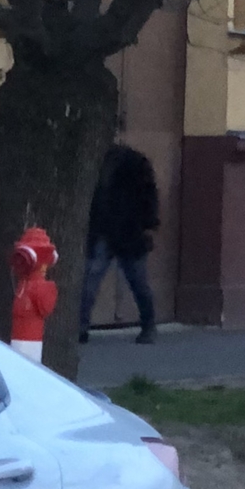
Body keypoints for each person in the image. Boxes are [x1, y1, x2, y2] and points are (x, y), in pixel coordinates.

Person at [80, 142, 160, 344]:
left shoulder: (126, 162)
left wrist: (147, 223)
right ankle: (148, 326)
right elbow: (149, 196)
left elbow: (148, 196)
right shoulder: (132, 162)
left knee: (94, 280)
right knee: (133, 282)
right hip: (118, 229)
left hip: (120, 230)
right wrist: (149, 224)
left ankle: (81, 327)